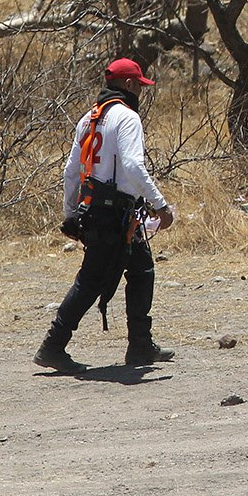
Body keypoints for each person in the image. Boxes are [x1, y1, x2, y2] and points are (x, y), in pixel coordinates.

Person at [34, 58, 176, 372]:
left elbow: (72, 172)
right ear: (128, 85)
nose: (141, 89)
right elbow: (133, 166)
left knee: (141, 271)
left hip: (97, 210)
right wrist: (161, 205)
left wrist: (71, 213)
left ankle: (140, 345)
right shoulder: (127, 117)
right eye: (139, 84)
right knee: (90, 281)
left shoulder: (88, 119)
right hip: (117, 213)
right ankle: (52, 346)